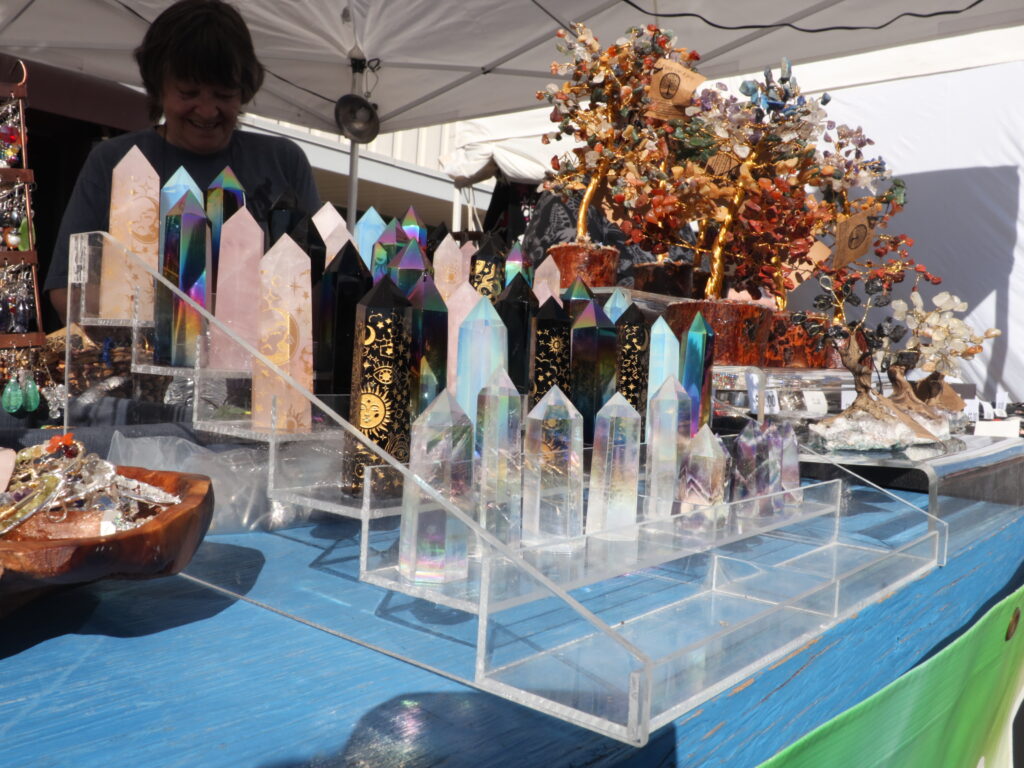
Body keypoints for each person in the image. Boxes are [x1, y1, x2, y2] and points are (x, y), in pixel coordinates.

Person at [44, 0, 321, 321]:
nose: (206, 110)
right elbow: (67, 290)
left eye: (224, 94)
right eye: (189, 93)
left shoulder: (285, 161)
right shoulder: (112, 160)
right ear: (158, 87)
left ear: (244, 91)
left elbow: (314, 285)